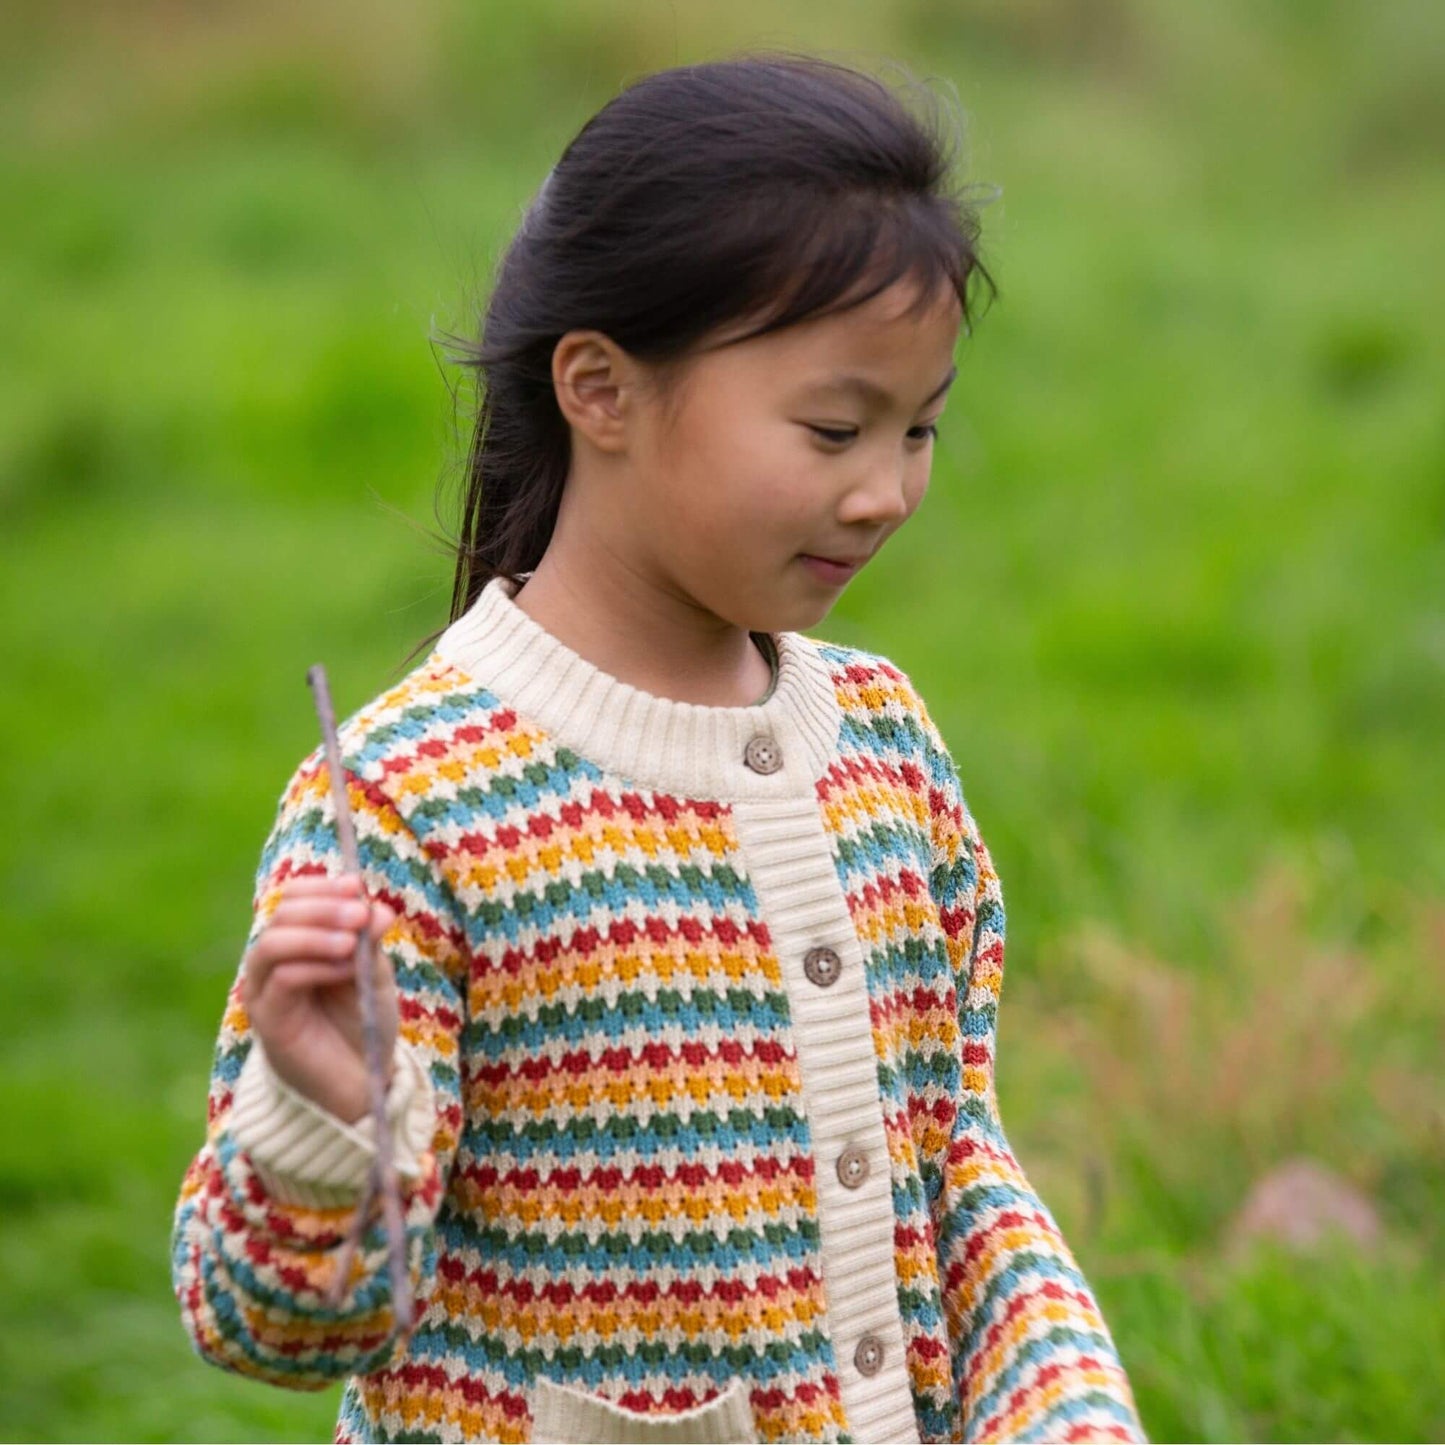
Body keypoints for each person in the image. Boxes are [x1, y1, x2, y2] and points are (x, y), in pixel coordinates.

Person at [170, 51, 1147, 1445]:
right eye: (830, 427)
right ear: (600, 390)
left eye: (917, 427)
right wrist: (328, 1123)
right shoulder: (410, 800)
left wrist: (1063, 1412)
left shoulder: (880, 749)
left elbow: (952, 1174)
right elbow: (268, 1324)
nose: (885, 491)